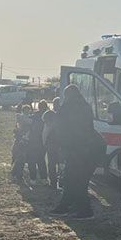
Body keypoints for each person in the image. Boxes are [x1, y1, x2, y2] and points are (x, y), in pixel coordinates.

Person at [51, 84, 103, 218]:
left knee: (77, 180)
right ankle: (66, 205)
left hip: (82, 149)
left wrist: (62, 147)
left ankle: (84, 210)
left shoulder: (69, 108)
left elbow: (64, 129)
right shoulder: (84, 106)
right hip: (89, 147)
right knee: (72, 178)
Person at [41, 96, 62, 189]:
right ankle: (61, 182)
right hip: (61, 144)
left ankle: (53, 182)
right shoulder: (64, 116)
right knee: (61, 164)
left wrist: (44, 143)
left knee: (52, 164)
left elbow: (45, 132)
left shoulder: (50, 115)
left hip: (51, 144)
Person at [26, 101, 47, 183]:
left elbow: (28, 124)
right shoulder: (48, 116)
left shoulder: (34, 116)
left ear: (39, 107)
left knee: (32, 160)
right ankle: (44, 178)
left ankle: (33, 178)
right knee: (41, 160)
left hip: (33, 140)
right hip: (42, 141)